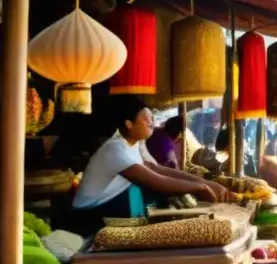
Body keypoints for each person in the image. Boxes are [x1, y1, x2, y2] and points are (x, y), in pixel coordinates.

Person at [72, 98, 231, 236]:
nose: (152, 123)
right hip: (88, 219)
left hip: (105, 212)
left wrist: (204, 182)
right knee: (155, 193)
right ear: (129, 124)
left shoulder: (130, 145)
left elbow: (156, 169)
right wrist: (200, 188)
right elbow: (158, 181)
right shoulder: (114, 149)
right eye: (146, 119)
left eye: (152, 118)